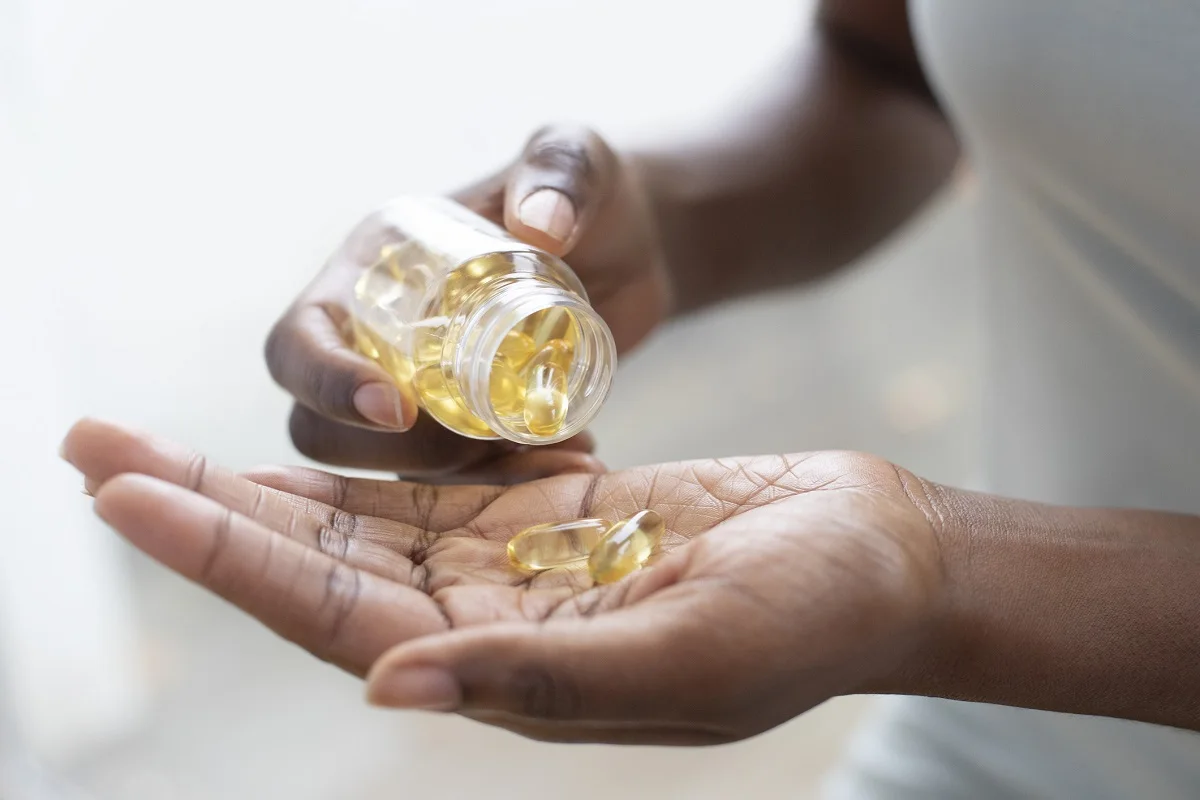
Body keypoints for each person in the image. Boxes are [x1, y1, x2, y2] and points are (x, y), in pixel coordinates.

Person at [61, 0, 1200, 796]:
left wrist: (963, 577)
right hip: (1003, 736)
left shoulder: (957, 588)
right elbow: (893, 67)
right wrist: (668, 211)